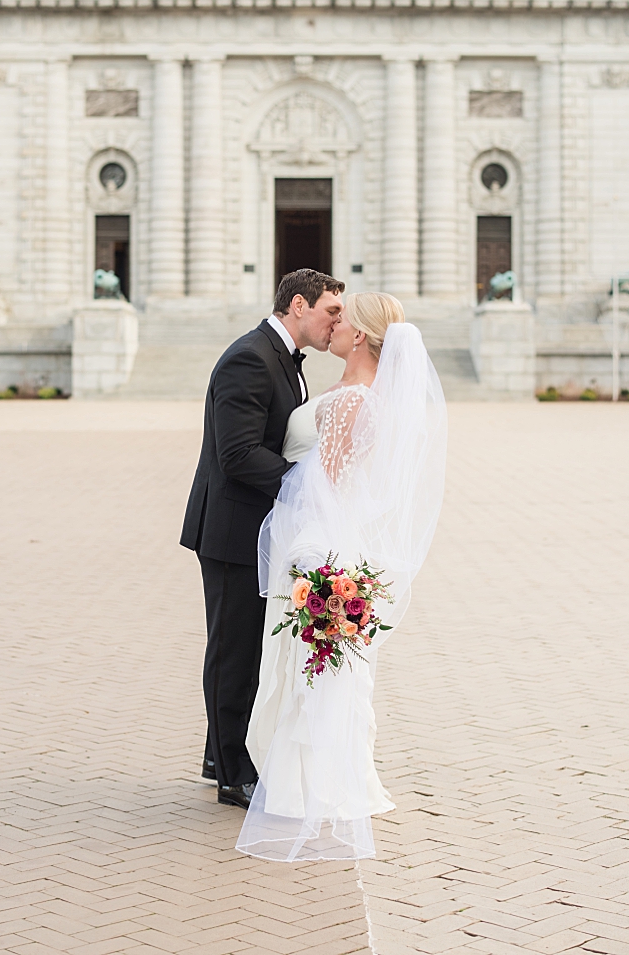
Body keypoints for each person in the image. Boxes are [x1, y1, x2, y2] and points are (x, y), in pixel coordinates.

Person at [238, 293, 446, 861]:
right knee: (324, 667)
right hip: (334, 538)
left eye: (344, 316)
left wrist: (304, 551)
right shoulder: (360, 396)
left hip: (321, 541)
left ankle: (312, 781)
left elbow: (321, 485)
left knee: (313, 667)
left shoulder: (352, 400)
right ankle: (323, 774)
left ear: (360, 337)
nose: (335, 321)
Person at [180, 269, 345, 809]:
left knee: (246, 648)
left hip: (257, 528)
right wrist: (308, 486)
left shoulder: (285, 362)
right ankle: (232, 774)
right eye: (330, 312)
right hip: (231, 530)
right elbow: (238, 453)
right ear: (299, 305)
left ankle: (218, 756)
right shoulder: (250, 357)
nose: (336, 323)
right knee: (233, 652)